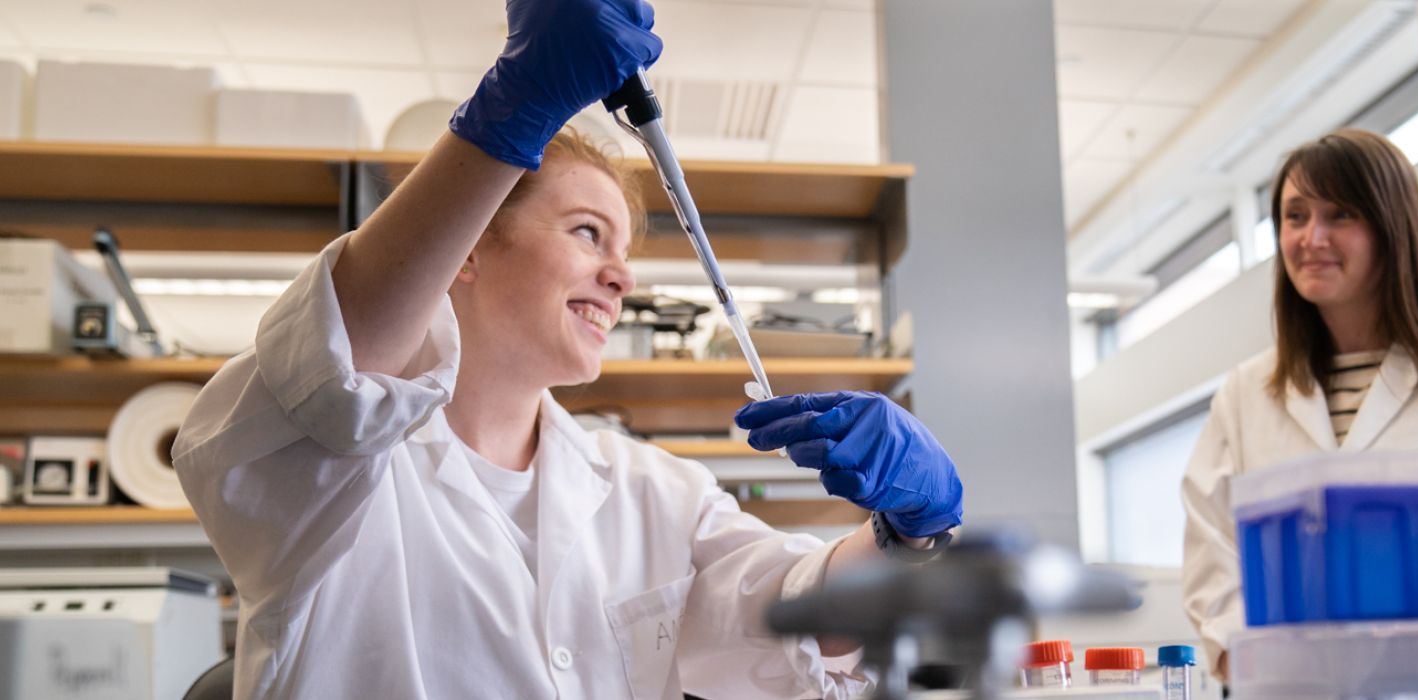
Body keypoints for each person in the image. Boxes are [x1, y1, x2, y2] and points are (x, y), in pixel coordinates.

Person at [170, 1, 961, 697]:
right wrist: (514, 108)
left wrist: (906, 533)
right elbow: (329, 380)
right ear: (466, 250)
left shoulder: (652, 490)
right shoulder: (336, 478)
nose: (620, 277)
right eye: (587, 233)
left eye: (623, 251)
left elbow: (792, 618)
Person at [1179, 129, 1418, 678]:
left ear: (1393, 226)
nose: (1312, 237)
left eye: (1340, 214)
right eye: (1295, 216)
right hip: (1296, 687)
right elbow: (1211, 549)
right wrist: (1253, 657)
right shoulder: (1247, 390)